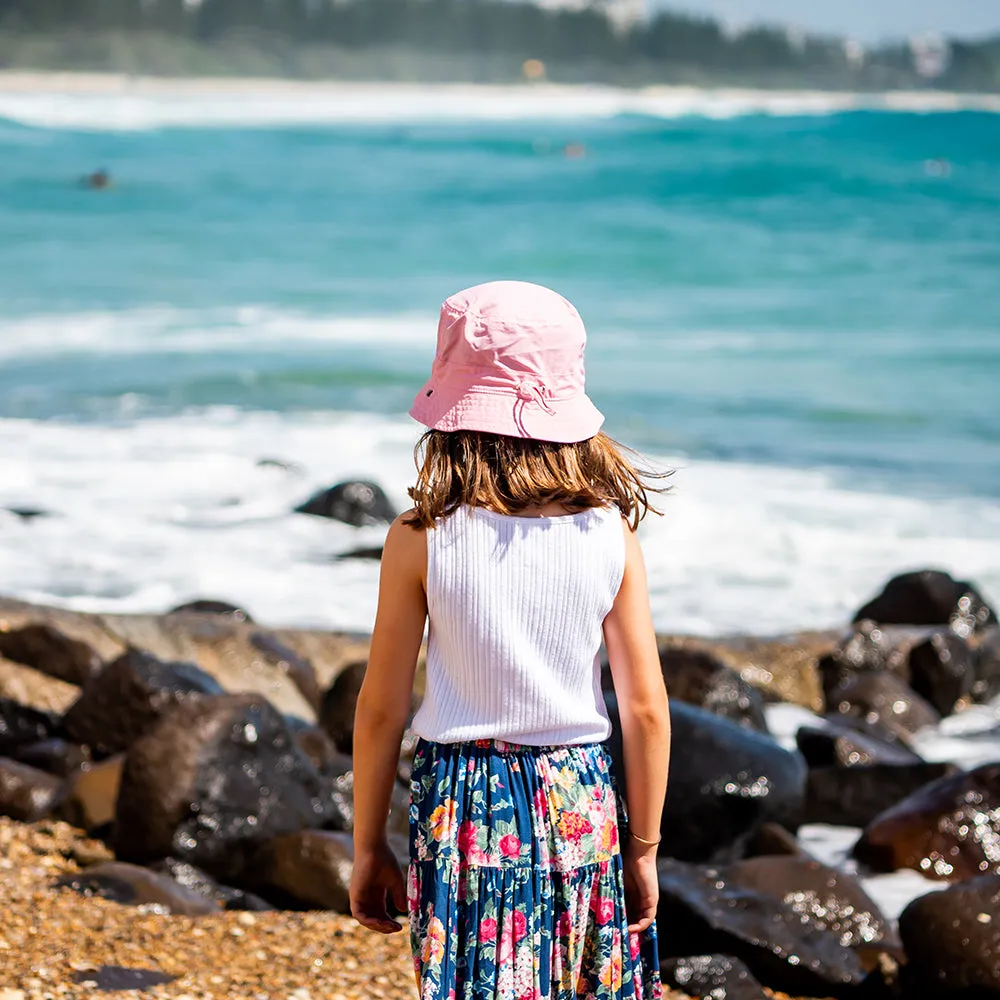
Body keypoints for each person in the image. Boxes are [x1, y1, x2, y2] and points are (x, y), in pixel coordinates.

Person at [350, 280, 671, 999]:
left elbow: (380, 709)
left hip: (462, 801)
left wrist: (368, 845)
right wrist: (643, 850)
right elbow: (646, 709)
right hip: (579, 793)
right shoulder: (609, 534)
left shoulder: (419, 537)